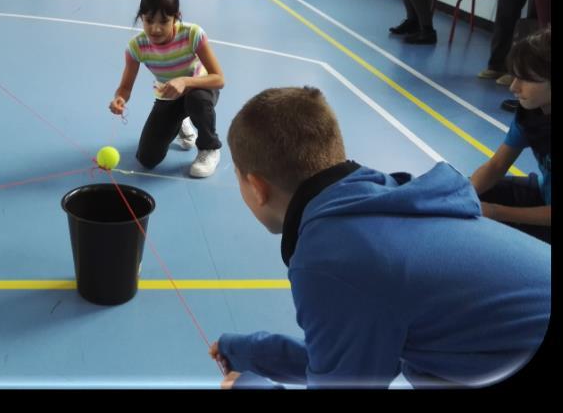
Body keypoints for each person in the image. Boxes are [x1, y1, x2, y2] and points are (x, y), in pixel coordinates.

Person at [210, 86, 550, 389]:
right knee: (421, 361)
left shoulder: (331, 259)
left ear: (256, 187)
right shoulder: (386, 198)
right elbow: (353, 359)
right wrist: (251, 352)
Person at [109, 0, 225, 178]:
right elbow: (125, 87)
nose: (155, 28)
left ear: (176, 17)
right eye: (148, 20)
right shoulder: (136, 47)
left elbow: (219, 79)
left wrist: (186, 82)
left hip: (201, 88)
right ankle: (182, 121)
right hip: (168, 95)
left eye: (164, 21)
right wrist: (119, 99)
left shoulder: (192, 34)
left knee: (197, 99)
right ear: (141, 18)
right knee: (147, 159)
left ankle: (209, 148)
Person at [471, 28, 551, 244]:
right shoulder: (531, 113)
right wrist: (463, 193)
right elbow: (496, 166)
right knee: (468, 193)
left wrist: (497, 212)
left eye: (525, 78)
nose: (514, 87)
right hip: (544, 194)